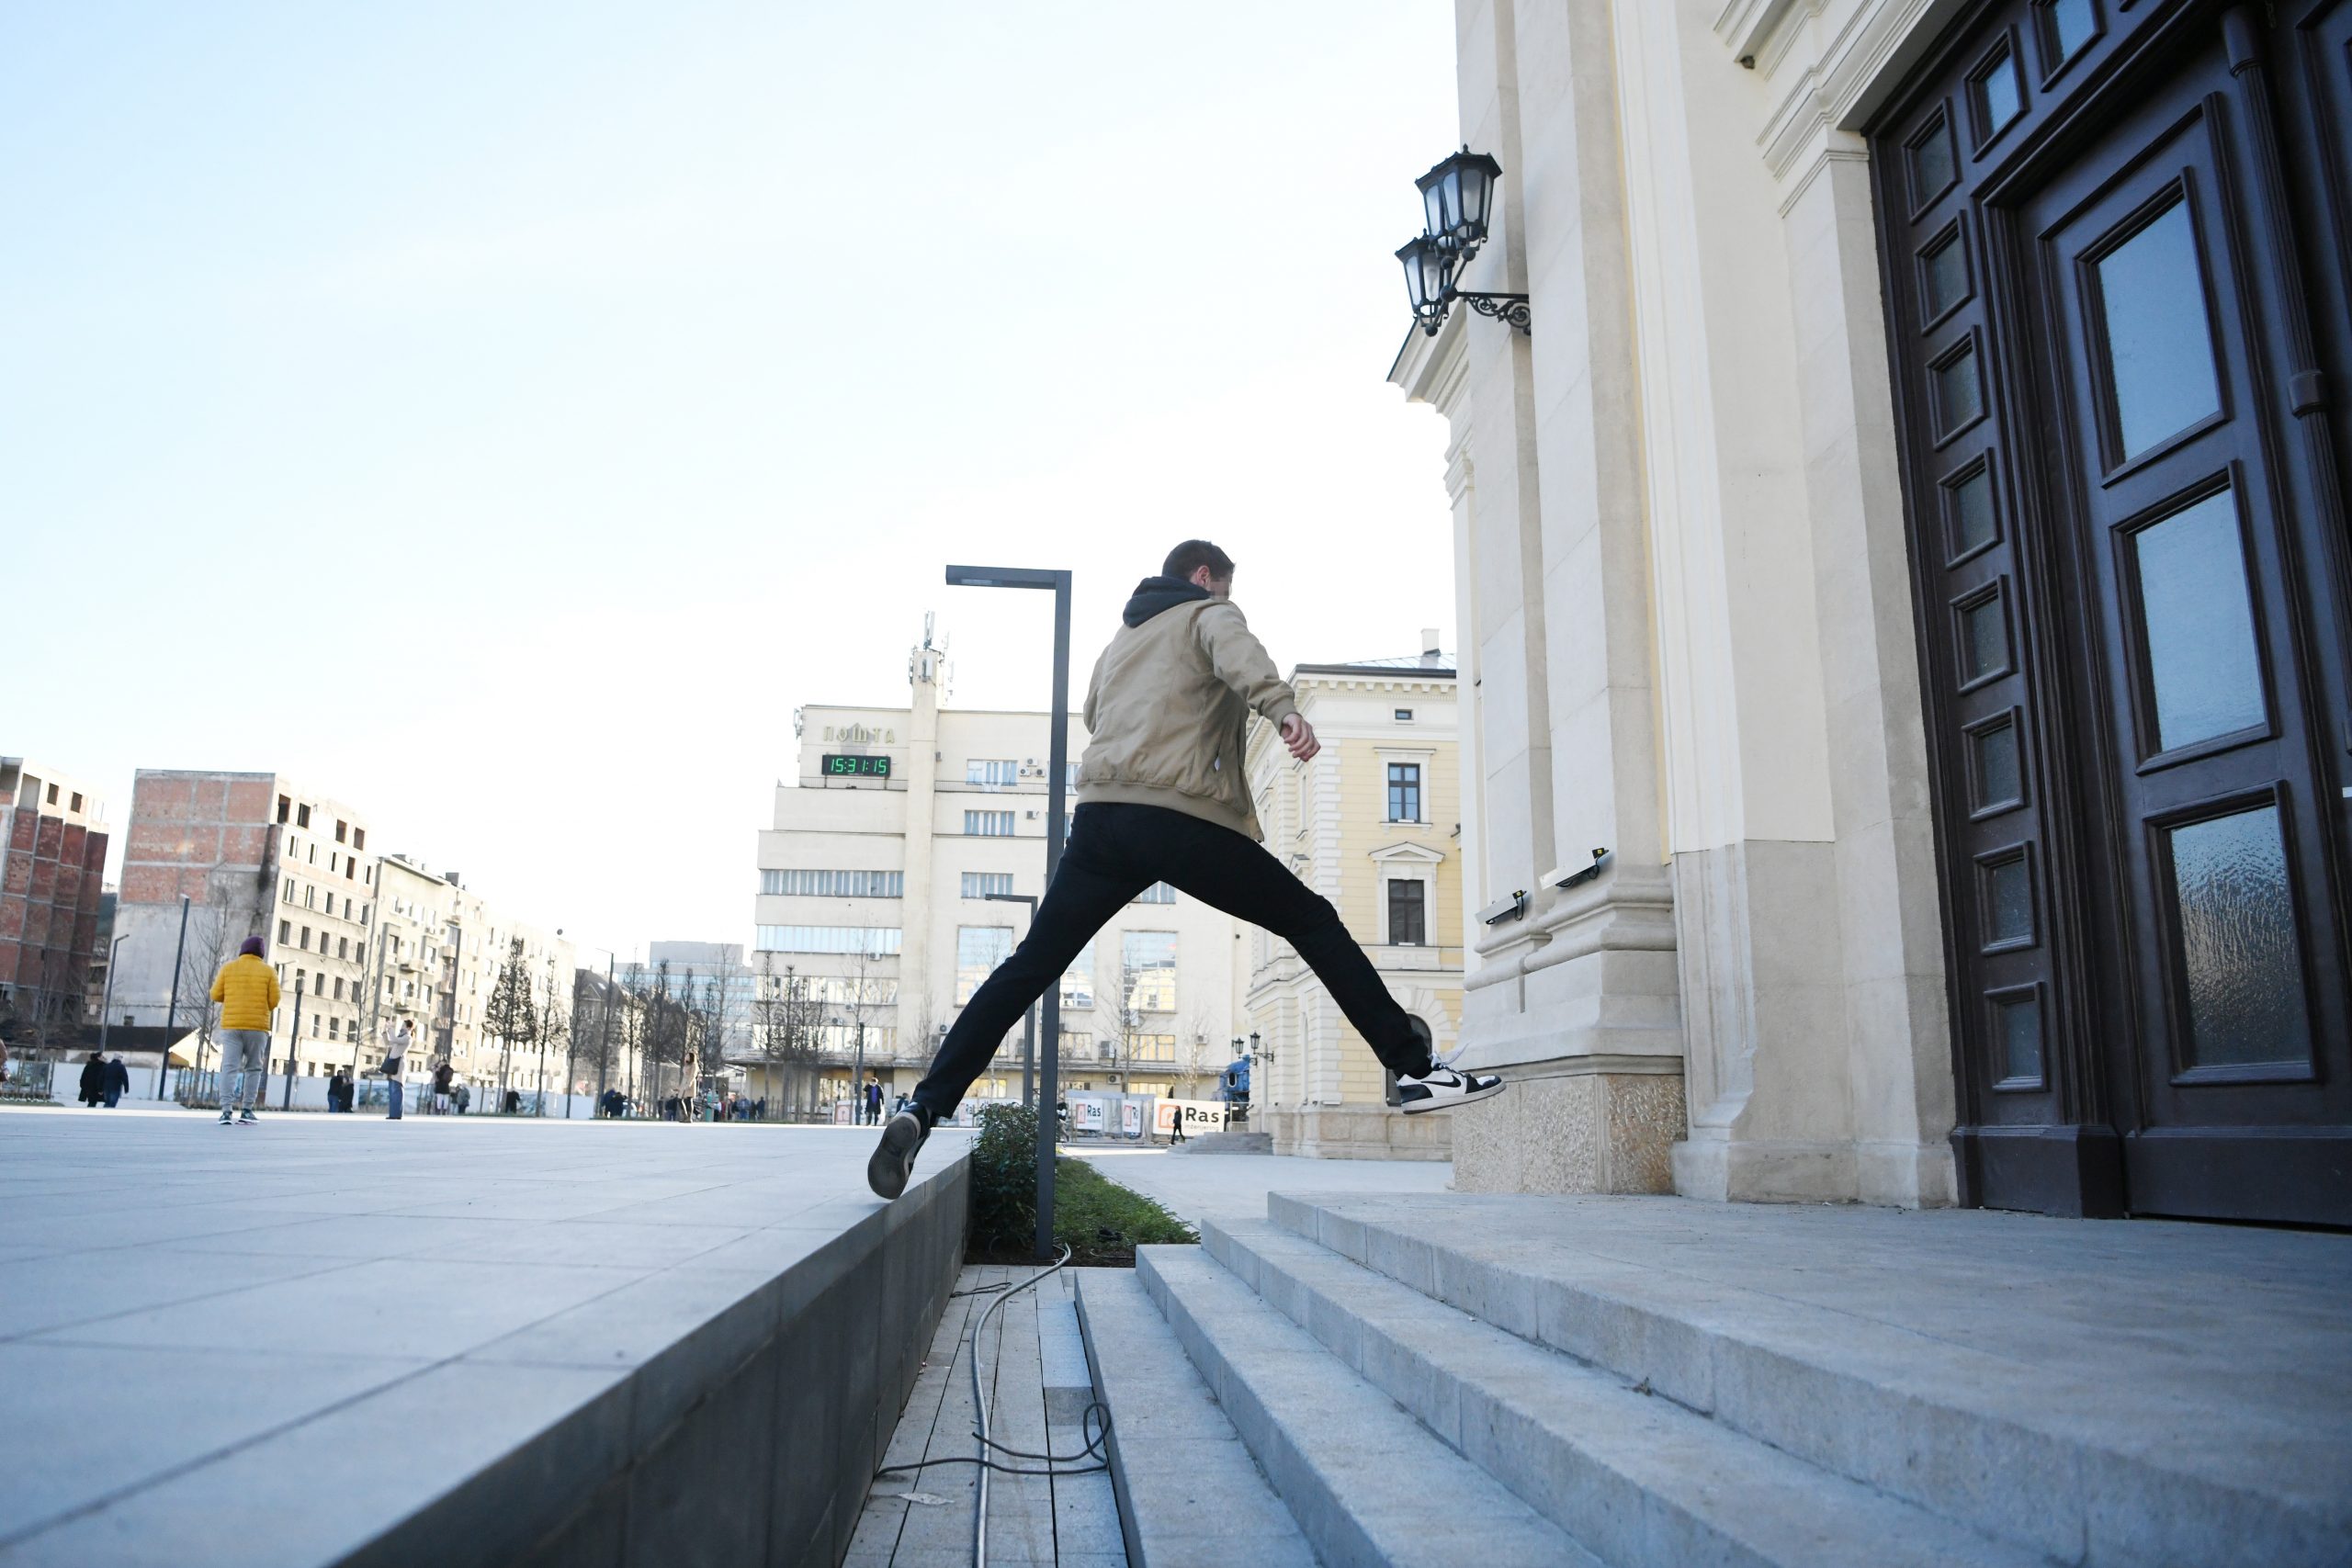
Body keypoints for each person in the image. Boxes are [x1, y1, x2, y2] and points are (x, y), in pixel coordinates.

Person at [870, 541, 1501, 1199]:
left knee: (1029, 966)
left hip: (1099, 823)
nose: (1225, 600)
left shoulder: (1118, 643)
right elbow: (1241, 656)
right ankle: (1415, 1067)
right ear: (1205, 577)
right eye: (1223, 588)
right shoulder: (1207, 613)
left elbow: (1095, 713)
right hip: (1178, 820)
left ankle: (925, 1105)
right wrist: (1283, 709)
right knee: (1311, 920)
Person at [209, 935, 281, 1126]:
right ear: (261, 953)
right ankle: (247, 1110)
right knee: (253, 1068)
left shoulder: (228, 968)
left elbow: (215, 994)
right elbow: (274, 1001)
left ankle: (226, 1111)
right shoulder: (269, 972)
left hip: (232, 1026)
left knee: (229, 1067)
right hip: (257, 1028)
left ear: (242, 950)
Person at [379, 1020, 412, 1120]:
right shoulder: (400, 1037)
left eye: (403, 1025)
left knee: (397, 1091)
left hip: (399, 1068)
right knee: (392, 1092)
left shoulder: (407, 1038)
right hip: (392, 1067)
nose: (401, 1027)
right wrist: (385, 1032)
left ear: (409, 1028)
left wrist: (390, 1028)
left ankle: (397, 1114)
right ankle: (393, 1114)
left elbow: (394, 1039)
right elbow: (388, 1042)